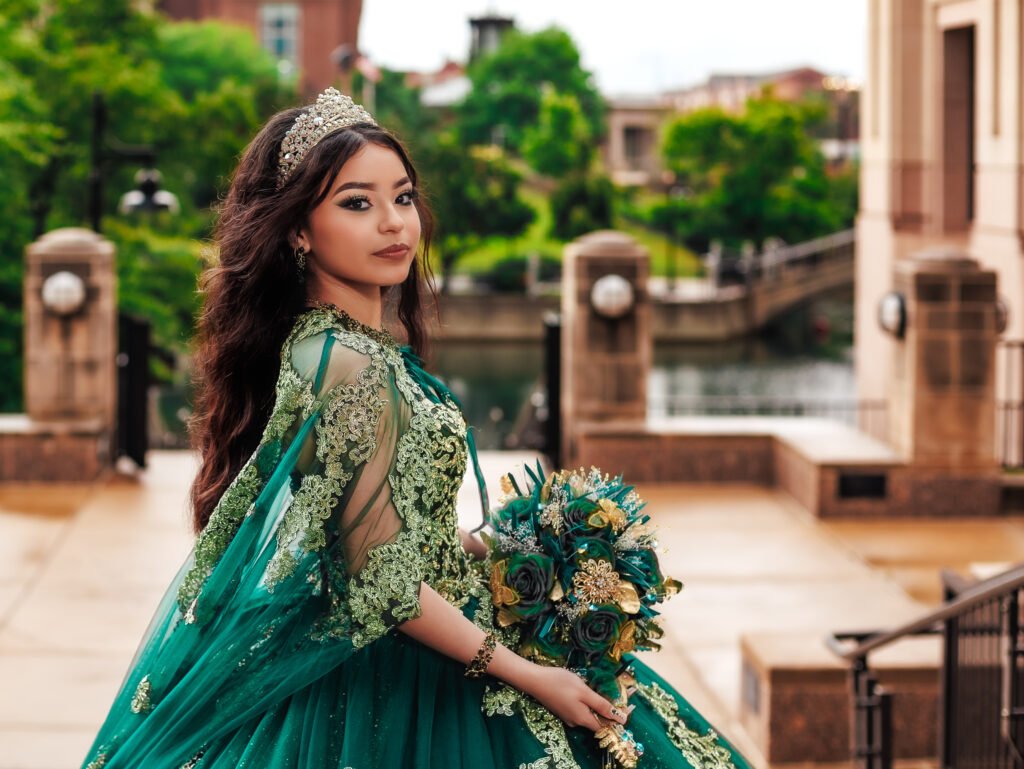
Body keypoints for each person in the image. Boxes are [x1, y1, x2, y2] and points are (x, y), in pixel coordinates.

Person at [80, 88, 754, 769]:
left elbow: (377, 522)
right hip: (400, 666)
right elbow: (377, 575)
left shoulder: (352, 344)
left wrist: (522, 552)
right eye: (356, 203)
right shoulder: (344, 361)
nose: (393, 224)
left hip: (431, 625)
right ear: (298, 231)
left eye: (402, 198)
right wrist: (528, 673)